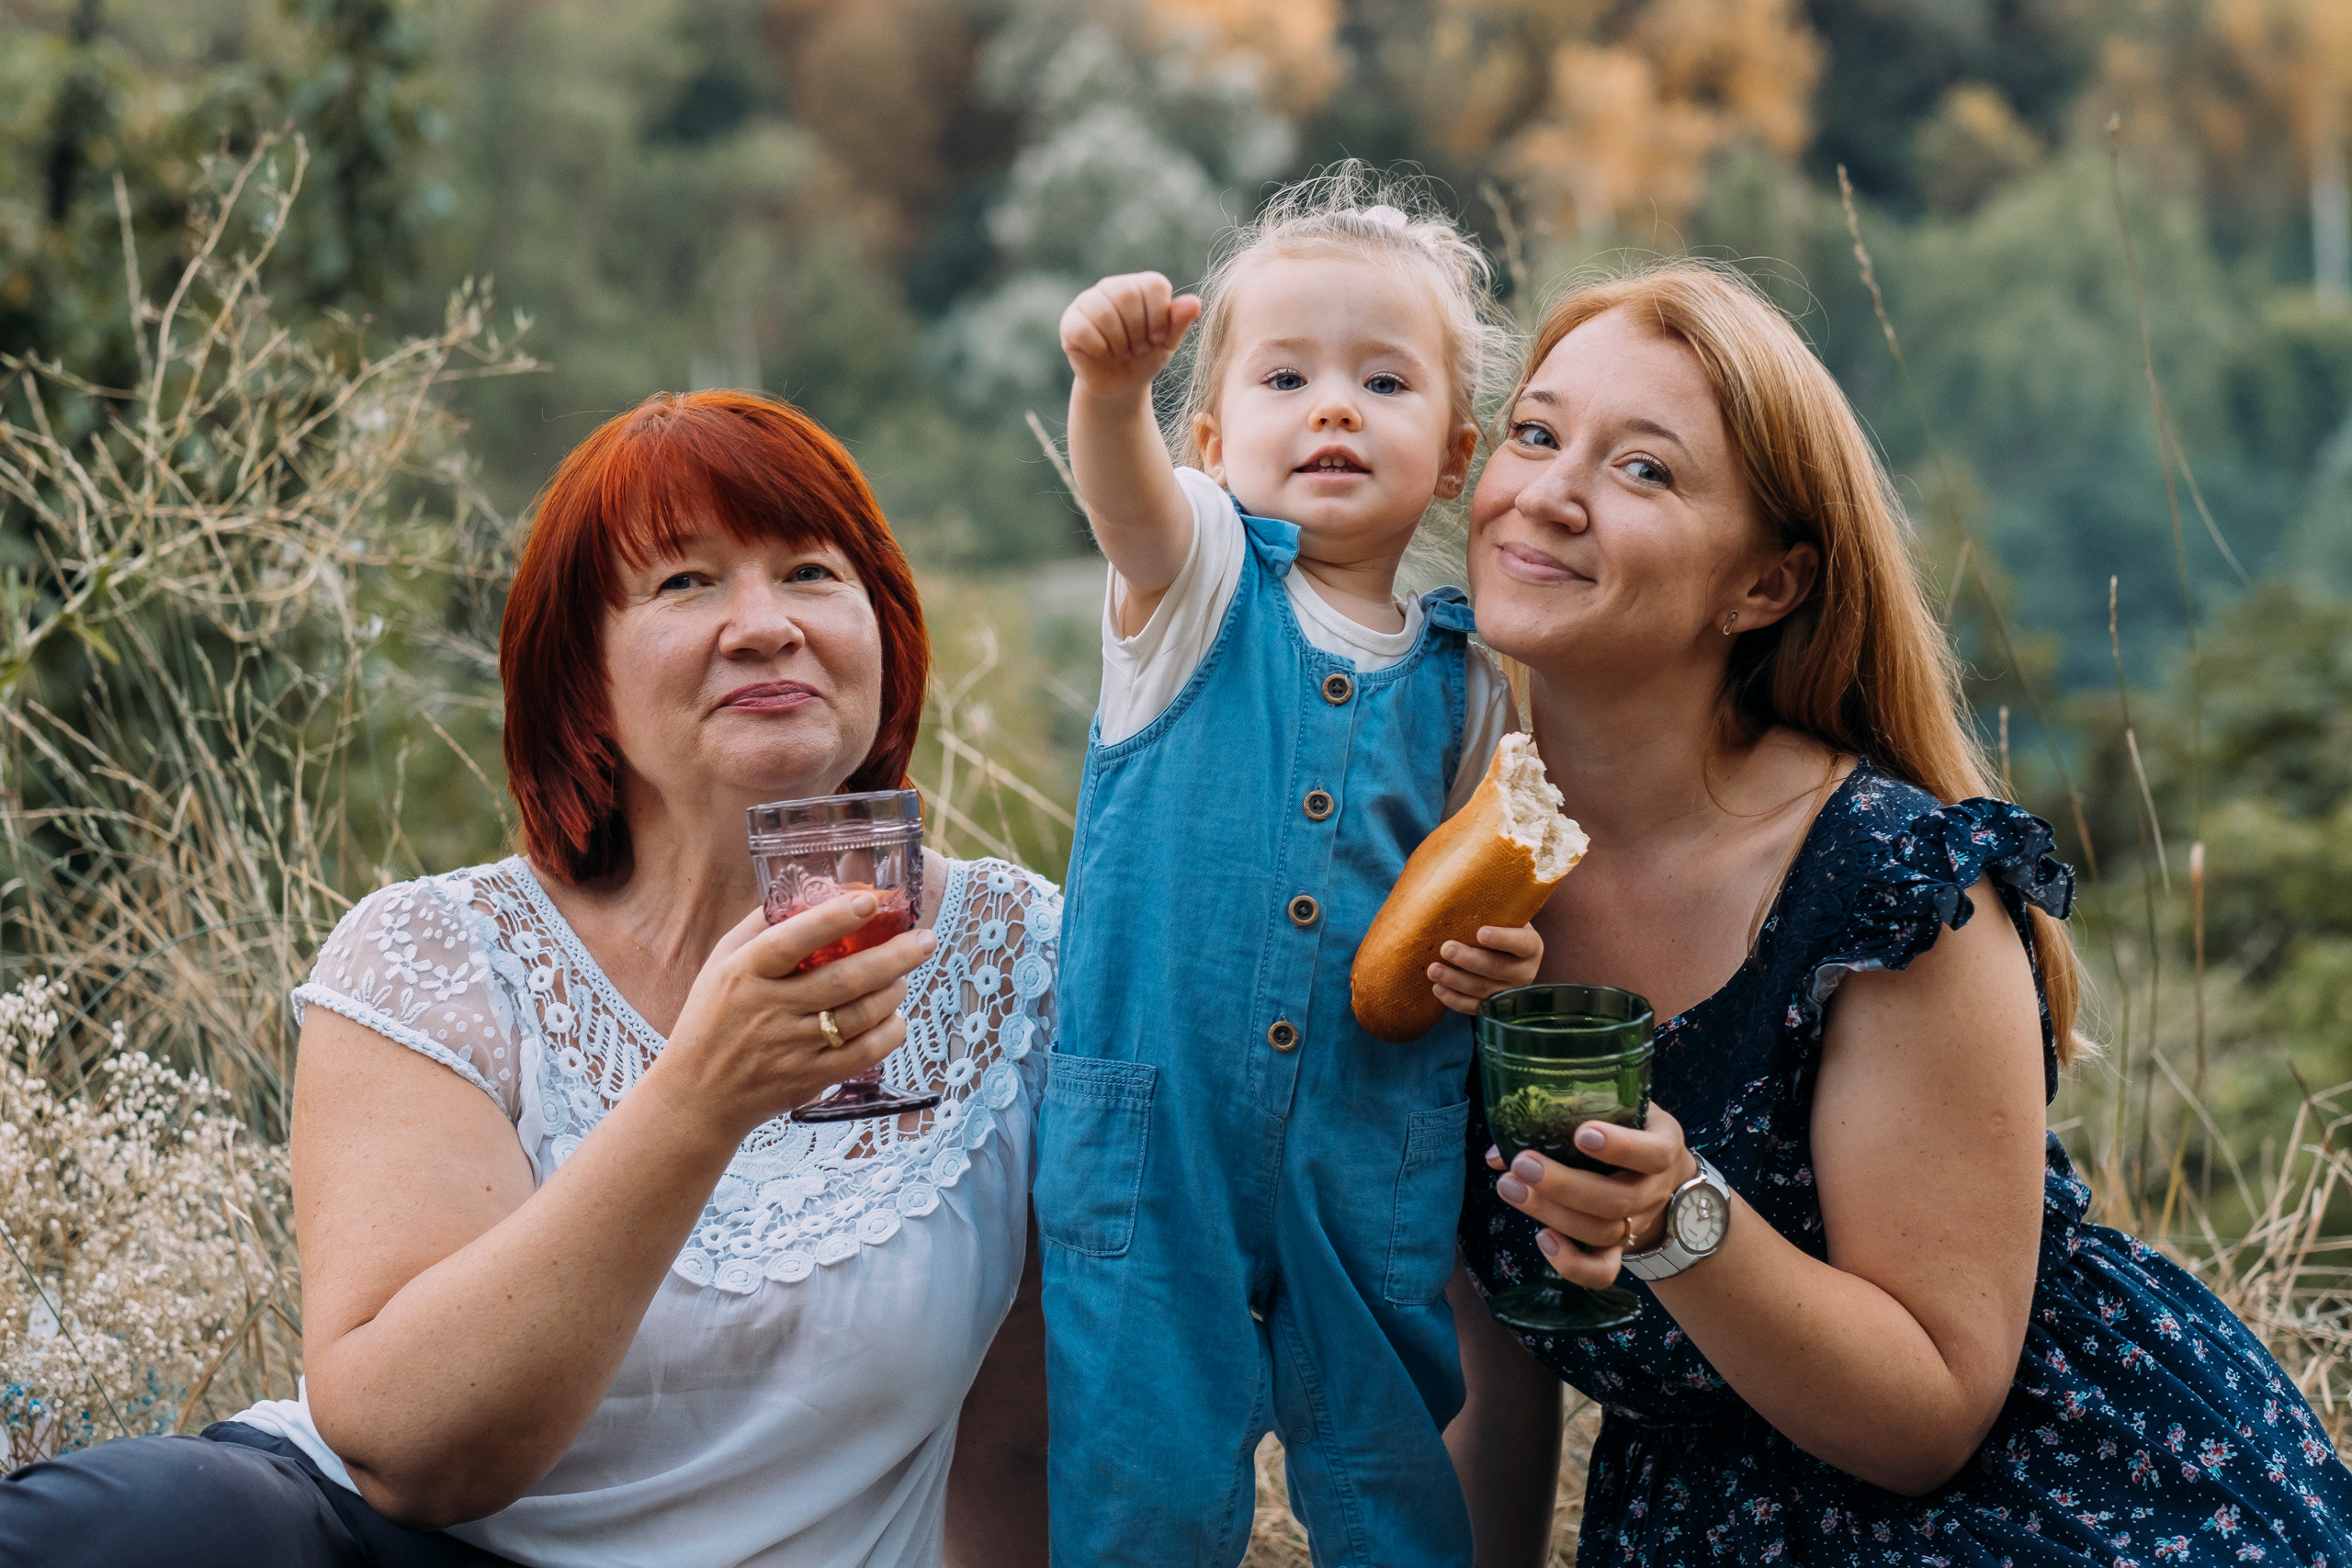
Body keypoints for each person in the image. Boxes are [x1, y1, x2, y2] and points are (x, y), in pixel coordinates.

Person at [0, 390, 1055, 1568]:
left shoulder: (1024, 958)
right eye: (683, 584)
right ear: (582, 679)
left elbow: (1021, 1447)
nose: (763, 625)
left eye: (810, 571)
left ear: (885, 634)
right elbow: (410, 1451)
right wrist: (696, 1100)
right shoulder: (434, 956)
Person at [1447, 263, 2352, 1564]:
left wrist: (1674, 1217)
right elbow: (1492, 1349)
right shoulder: (1440, 853)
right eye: (1534, 433)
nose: (1547, 491)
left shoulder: (1891, 884)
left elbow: (1932, 1409)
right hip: (1698, 1525)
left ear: (1765, 587)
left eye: (1643, 469)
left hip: (2042, 1507)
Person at [1036, 169, 1543, 1568]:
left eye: (1384, 381)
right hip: (1160, 1134)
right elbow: (1125, 497)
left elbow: (1474, 894)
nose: (1332, 407)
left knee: (1390, 1470)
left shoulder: (1473, 689)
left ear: (1452, 453)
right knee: (1141, 1472)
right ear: (1211, 437)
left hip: (1367, 1145)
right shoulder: (1194, 583)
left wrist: (1495, 960)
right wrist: (1106, 387)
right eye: (1285, 377)